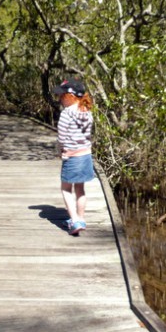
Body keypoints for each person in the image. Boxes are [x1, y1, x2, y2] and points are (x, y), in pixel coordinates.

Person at [53, 77, 94, 235]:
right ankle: (80, 218)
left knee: (66, 189)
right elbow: (87, 135)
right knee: (80, 189)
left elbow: (61, 138)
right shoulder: (87, 112)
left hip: (72, 157)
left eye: (62, 96)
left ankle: (75, 221)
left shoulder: (66, 114)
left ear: (70, 96)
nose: (59, 99)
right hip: (86, 155)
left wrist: (60, 151)